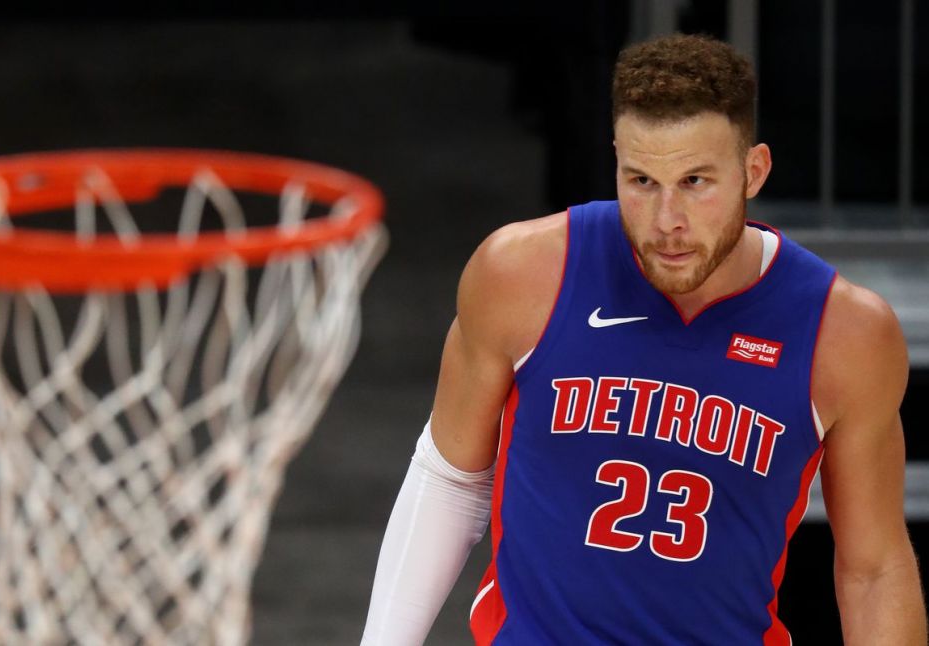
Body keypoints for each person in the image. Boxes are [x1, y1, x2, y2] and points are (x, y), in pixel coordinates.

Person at [361, 33, 927, 645]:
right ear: (615, 161)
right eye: (641, 180)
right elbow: (451, 478)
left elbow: (873, 569)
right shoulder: (522, 273)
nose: (666, 221)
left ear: (753, 171)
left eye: (695, 181)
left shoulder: (845, 334)